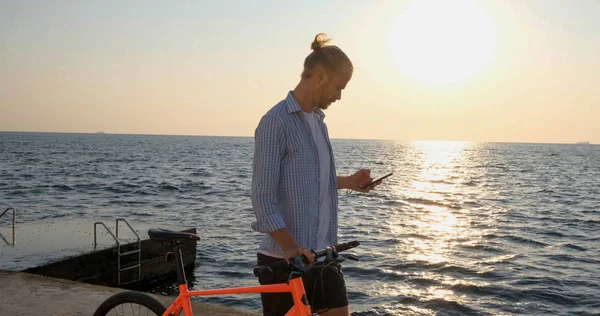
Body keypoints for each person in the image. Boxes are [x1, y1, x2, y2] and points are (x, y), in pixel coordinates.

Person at [250, 33, 381, 316]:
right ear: (320, 76)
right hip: (285, 261)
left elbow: (311, 181)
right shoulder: (275, 123)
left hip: (324, 255)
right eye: (338, 87)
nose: (339, 96)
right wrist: (291, 247)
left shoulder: (319, 123)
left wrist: (349, 183)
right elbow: (262, 198)